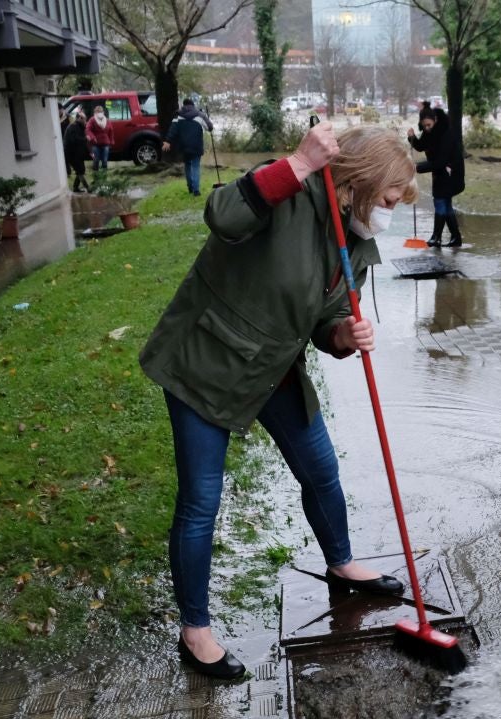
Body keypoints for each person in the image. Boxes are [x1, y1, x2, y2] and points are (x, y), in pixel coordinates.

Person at [139, 124, 418, 680]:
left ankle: (341, 564)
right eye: (387, 199)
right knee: (201, 501)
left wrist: (344, 335)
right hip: (207, 361)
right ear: (358, 183)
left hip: (272, 368)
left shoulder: (356, 239)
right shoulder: (286, 189)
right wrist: (296, 164)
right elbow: (222, 214)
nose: (389, 213)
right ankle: (195, 630)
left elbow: (328, 319)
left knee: (320, 469)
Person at [406, 105, 464, 247]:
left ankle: (436, 237)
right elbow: (421, 146)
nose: (426, 128)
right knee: (446, 205)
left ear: (436, 120)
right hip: (441, 173)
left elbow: (440, 161)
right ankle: (456, 238)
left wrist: (417, 167)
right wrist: (412, 137)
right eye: (424, 126)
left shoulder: (446, 134)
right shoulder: (430, 132)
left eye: (429, 125)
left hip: (450, 173)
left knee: (440, 202)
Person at [162, 97, 214, 197]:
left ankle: (190, 187)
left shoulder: (178, 116)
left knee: (188, 165)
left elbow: (173, 130)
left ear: (183, 105)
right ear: (193, 105)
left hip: (183, 146)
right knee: (195, 166)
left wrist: (167, 141)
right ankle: (196, 190)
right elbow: (210, 128)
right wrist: (206, 117)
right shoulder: (200, 115)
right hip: (196, 145)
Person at [62, 108, 90, 193]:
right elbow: (74, 140)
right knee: (80, 170)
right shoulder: (73, 127)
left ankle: (75, 187)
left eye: (85, 119)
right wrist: (85, 139)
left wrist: (88, 152)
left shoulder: (80, 127)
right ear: (78, 118)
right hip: (71, 153)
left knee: (81, 170)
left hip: (78, 154)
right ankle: (88, 188)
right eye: (83, 119)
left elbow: (82, 142)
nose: (85, 121)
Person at [86, 104, 112, 171]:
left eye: (101, 111)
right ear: (95, 112)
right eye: (98, 111)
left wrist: (111, 142)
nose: (100, 113)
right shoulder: (92, 120)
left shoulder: (107, 120)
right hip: (95, 144)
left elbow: (111, 131)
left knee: (105, 161)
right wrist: (92, 137)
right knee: (96, 160)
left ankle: (104, 177)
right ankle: (96, 176)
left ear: (103, 112)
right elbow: (88, 129)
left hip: (105, 144)